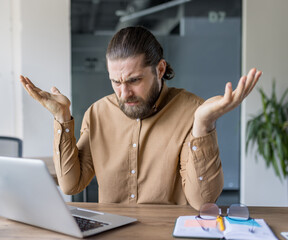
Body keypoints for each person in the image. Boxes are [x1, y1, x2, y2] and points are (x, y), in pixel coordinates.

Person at [20, 26, 261, 210]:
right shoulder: (98, 113)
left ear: (160, 69)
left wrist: (203, 124)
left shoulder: (192, 112)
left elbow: (203, 202)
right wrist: (62, 118)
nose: (124, 93)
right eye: (116, 82)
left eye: (134, 80)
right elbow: (71, 185)